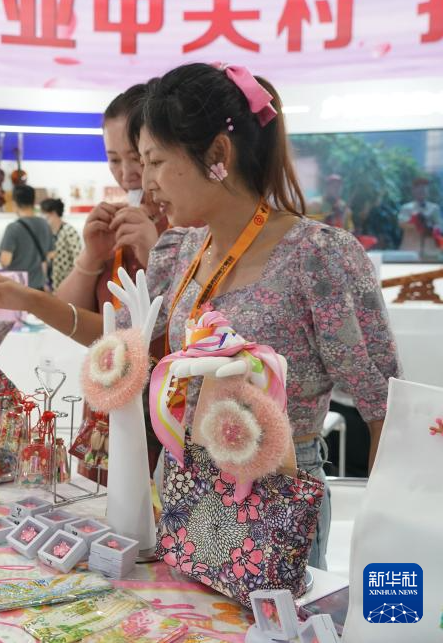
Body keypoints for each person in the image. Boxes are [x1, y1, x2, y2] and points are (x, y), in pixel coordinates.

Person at [124, 62, 399, 569]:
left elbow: (384, 405)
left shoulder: (317, 257)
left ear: (217, 155)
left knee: (268, 616)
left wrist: (385, 539)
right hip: (186, 488)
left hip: (274, 494)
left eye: (156, 161)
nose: (146, 182)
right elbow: (129, 345)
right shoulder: (182, 249)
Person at [0, 84, 167, 344]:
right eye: (114, 160)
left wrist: (30, 300)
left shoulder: (187, 224)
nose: (126, 174)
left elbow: (185, 328)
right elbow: (76, 323)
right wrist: (92, 256)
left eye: (137, 157)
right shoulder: (117, 224)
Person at [0, 184, 54, 290]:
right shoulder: (45, 224)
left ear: (14, 204)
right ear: (33, 202)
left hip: (18, 289)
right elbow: (51, 254)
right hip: (38, 289)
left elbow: (5, 261)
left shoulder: (13, 228)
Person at [39, 198, 80, 291]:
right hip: (51, 283)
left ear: (53, 213)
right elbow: (44, 259)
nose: (42, 217)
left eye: (44, 214)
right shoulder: (47, 233)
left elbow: (77, 259)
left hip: (67, 284)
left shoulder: (69, 231)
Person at [397, 176, 443, 260]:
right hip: (410, 249)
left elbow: (440, 226)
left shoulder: (434, 208)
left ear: (428, 191)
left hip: (430, 251)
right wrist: (416, 223)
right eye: (419, 188)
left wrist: (431, 227)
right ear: (413, 191)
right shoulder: (406, 208)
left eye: (424, 188)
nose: (422, 190)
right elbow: (401, 223)